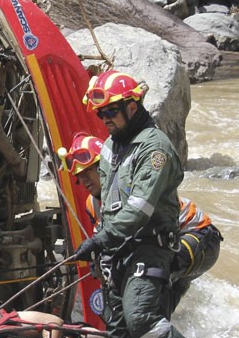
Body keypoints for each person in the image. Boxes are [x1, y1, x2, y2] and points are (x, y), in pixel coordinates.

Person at [71, 70, 226, 338]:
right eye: (100, 114)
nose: (104, 119)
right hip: (119, 247)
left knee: (140, 317)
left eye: (110, 111)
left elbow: (139, 209)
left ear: (132, 105)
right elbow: (112, 202)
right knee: (118, 323)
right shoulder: (112, 146)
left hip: (149, 244)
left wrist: (100, 240)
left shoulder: (155, 150)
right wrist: (104, 249)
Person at [60, 131, 223, 310]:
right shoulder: (92, 204)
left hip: (198, 237)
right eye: (79, 177)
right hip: (166, 247)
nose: (83, 181)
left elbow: (136, 232)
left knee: (148, 276)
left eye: (87, 172)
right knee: (153, 308)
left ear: (104, 167)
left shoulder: (132, 187)